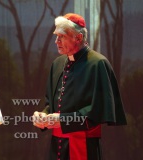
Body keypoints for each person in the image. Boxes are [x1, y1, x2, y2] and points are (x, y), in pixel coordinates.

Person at [32, 13, 127, 160]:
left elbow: (98, 110)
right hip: (56, 145)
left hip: (83, 145)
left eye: (61, 36)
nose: (56, 41)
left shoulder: (98, 64)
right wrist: (43, 116)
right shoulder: (57, 64)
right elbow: (51, 104)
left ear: (78, 37)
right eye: (56, 36)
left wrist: (62, 120)